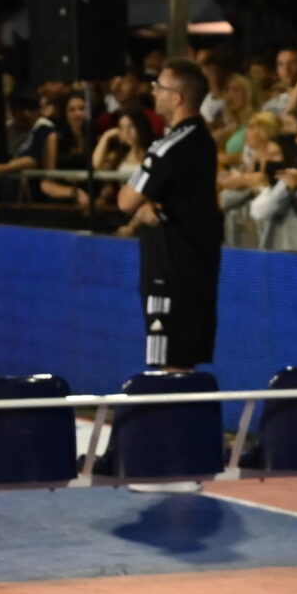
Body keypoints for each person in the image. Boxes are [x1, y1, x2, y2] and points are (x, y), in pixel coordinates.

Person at [116, 60, 222, 371]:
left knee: (170, 367)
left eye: (158, 87)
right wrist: (148, 203)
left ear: (176, 98)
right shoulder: (203, 140)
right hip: (198, 268)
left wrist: (143, 203)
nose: (153, 92)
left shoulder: (169, 146)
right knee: (185, 362)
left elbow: (126, 201)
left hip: (169, 269)